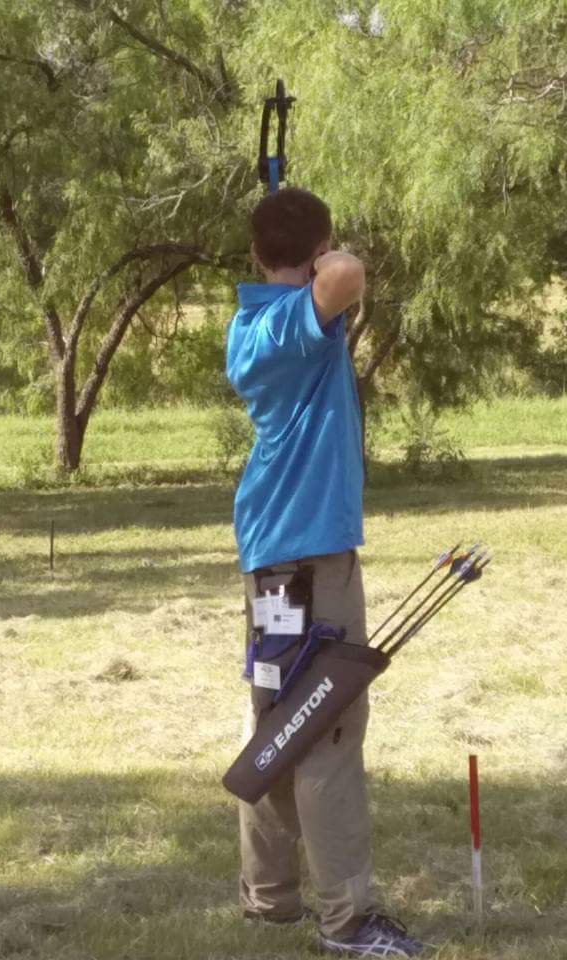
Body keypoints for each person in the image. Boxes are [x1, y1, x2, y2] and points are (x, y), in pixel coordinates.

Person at [226, 188, 424, 958]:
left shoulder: (248, 327)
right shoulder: (294, 322)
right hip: (313, 559)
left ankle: (269, 898)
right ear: (312, 253)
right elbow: (347, 274)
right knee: (327, 727)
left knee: (279, 719)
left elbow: (329, 277)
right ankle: (347, 922)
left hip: (273, 561)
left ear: (253, 256)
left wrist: (304, 248)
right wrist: (323, 253)